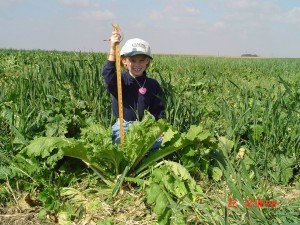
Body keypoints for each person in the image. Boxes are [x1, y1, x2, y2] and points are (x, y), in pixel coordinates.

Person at [102, 32, 165, 149]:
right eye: (133, 60)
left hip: (145, 126)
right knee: (121, 143)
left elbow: (158, 110)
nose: (137, 64)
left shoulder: (153, 84)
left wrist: (160, 128)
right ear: (124, 61)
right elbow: (108, 76)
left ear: (147, 61)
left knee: (162, 142)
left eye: (141, 60)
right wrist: (112, 49)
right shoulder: (121, 81)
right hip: (124, 126)